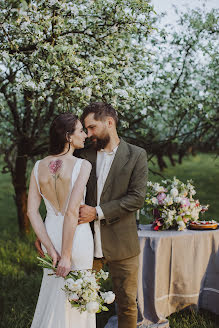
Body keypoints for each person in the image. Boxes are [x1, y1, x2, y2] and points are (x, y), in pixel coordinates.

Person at [35, 102, 148, 328]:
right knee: (77, 299)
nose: (88, 134)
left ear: (109, 122)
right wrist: (47, 233)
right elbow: (60, 191)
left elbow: (137, 198)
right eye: (84, 129)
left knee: (126, 303)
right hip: (82, 241)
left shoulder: (136, 155)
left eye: (92, 127)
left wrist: (97, 212)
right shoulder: (83, 154)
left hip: (121, 243)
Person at [27, 113, 95, 328]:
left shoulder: (38, 166)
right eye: (80, 131)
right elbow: (72, 211)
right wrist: (65, 255)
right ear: (68, 136)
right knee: (78, 300)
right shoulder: (82, 165)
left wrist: (50, 248)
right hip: (75, 239)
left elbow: (32, 212)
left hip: (51, 235)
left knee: (53, 293)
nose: (85, 135)